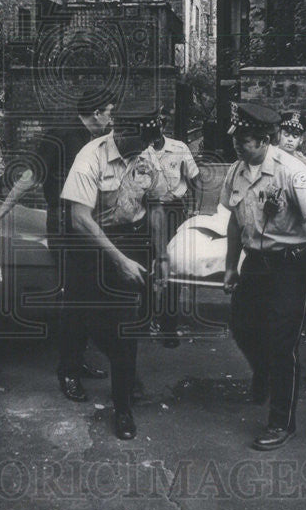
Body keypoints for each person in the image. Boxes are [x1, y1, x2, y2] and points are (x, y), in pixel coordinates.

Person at [221, 102, 306, 450]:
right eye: (236, 138)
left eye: (246, 140)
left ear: (265, 140)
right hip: (256, 263)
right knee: (241, 325)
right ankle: (265, 373)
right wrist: (231, 267)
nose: (238, 144)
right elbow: (235, 222)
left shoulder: (292, 171)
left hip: (293, 266)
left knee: (283, 343)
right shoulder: (236, 171)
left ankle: (281, 421)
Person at [0, 90, 117, 402]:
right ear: (96, 112)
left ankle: (78, 360)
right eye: (109, 113)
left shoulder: (97, 141)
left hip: (89, 222)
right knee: (75, 299)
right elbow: (31, 176)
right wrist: (3, 210)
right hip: (64, 224)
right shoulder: (60, 135)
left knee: (90, 295)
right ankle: (69, 372)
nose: (112, 119)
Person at [60, 103, 167, 440]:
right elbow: (79, 218)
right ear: (121, 131)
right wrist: (119, 260)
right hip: (89, 244)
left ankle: (123, 406)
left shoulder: (148, 155)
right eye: (140, 141)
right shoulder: (89, 157)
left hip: (130, 241)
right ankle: (69, 371)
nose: (146, 149)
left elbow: (157, 206)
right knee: (83, 317)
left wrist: (161, 255)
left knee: (125, 328)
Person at [141, 107, 202, 348]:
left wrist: (194, 211)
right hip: (144, 211)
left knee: (172, 266)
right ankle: (144, 321)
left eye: (158, 132)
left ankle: (168, 326)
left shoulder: (179, 148)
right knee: (145, 265)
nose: (154, 139)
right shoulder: (140, 149)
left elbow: (196, 181)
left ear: (163, 127)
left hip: (173, 211)